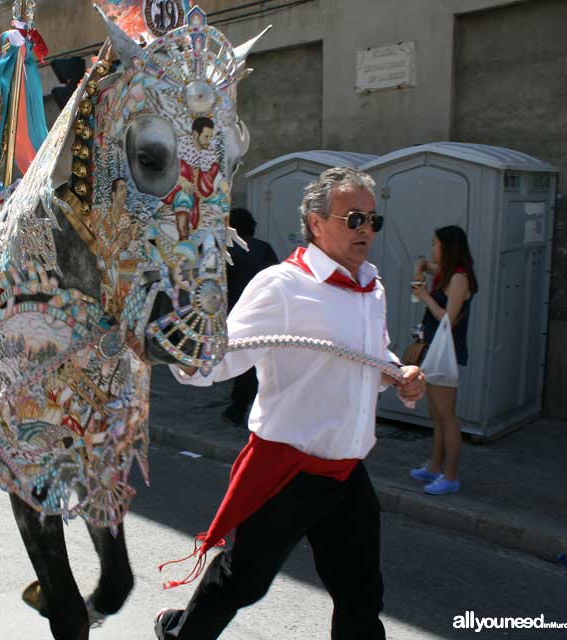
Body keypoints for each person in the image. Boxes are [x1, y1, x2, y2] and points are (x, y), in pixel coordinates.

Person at [154, 167, 425, 640]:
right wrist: (181, 348)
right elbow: (220, 361)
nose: (366, 230)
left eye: (373, 221)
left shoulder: (371, 286)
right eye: (355, 218)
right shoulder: (281, 286)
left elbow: (371, 355)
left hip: (347, 469)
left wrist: (398, 375)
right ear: (316, 223)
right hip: (288, 471)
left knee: (362, 593)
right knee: (243, 583)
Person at [409, 225, 478, 496]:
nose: (432, 246)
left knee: (447, 416)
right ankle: (435, 467)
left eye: (435, 242)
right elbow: (426, 269)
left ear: (447, 247)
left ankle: (450, 476)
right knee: (436, 414)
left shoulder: (459, 278)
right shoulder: (447, 274)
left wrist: (425, 296)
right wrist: (421, 266)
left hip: (446, 352)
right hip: (433, 350)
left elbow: (448, 318)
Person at [221, 208, 279, 426]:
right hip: (262, 312)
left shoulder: (226, 249)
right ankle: (245, 406)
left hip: (233, 314)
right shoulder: (263, 248)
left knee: (242, 361)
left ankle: (239, 407)